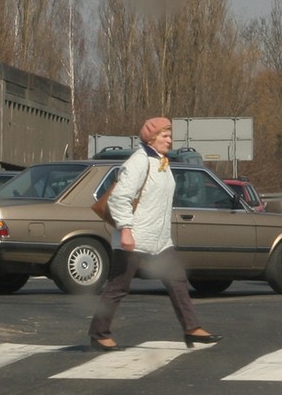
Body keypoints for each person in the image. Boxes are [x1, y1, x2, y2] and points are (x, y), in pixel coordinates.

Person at [87, 117, 219, 352]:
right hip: (134, 238)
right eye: (165, 135)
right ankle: (98, 333)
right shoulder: (139, 162)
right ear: (151, 138)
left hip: (159, 240)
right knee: (118, 287)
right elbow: (119, 198)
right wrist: (126, 230)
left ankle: (192, 329)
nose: (170, 139)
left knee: (177, 280)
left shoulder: (160, 162)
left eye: (169, 135)